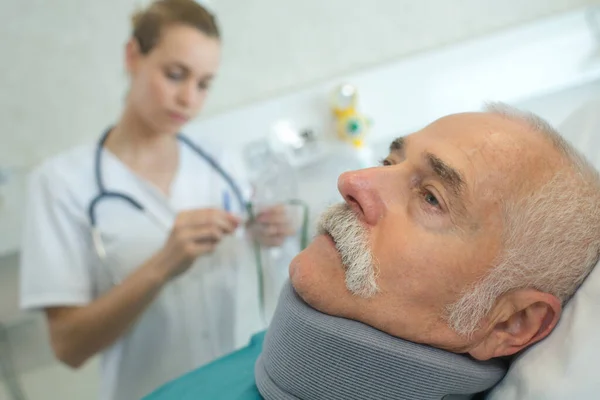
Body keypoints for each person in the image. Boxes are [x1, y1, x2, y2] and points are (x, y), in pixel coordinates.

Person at [143, 103, 600, 399]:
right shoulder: (269, 348)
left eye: (431, 197)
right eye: (390, 162)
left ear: (509, 322)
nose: (352, 182)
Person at [19, 1, 293, 399]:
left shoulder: (220, 161)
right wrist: (163, 264)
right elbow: (68, 346)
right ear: (133, 55)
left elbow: (263, 268)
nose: (189, 99)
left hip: (239, 385)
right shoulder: (62, 184)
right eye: (175, 74)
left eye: (203, 84)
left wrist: (271, 233)